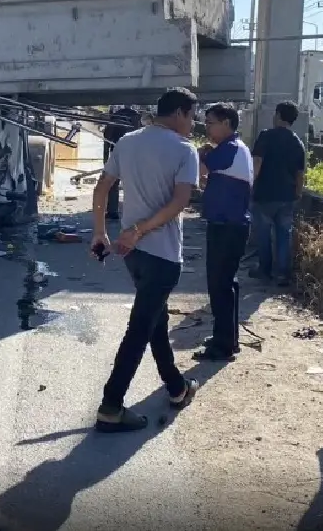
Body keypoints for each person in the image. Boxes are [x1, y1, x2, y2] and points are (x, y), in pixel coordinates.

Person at [89, 87, 202, 433]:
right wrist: (140, 229)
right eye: (192, 116)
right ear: (181, 113)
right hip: (162, 254)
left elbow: (102, 186)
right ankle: (111, 406)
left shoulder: (127, 141)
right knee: (140, 329)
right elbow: (180, 202)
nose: (193, 123)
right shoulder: (185, 150)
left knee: (154, 321)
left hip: (133, 255)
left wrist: (99, 232)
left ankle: (176, 387)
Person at [195, 102, 253, 362]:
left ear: (227, 123)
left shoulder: (229, 149)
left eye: (210, 123)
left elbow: (199, 169)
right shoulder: (233, 149)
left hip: (227, 226)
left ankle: (222, 346)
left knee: (219, 286)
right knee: (226, 285)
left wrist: (200, 153)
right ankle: (227, 338)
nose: (206, 128)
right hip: (229, 225)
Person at [249, 100, 307, 285]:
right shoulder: (297, 142)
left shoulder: (266, 136)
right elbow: (300, 174)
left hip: (265, 194)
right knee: (284, 234)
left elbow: (256, 163)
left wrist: (249, 184)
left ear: (279, 115)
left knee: (263, 234)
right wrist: (297, 193)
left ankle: (264, 270)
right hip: (287, 196)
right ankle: (282, 273)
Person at [101, 105, 143, 220]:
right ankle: (137, 211)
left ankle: (112, 211)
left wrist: (105, 161)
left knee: (112, 184)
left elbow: (106, 141)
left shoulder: (113, 121)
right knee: (135, 184)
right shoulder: (136, 120)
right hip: (134, 155)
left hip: (117, 154)